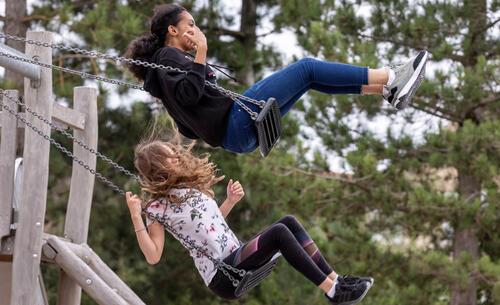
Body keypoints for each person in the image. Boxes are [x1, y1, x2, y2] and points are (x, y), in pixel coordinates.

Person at [124, 3, 428, 154]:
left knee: (308, 80)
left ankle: (384, 88)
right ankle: (390, 76)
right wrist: (201, 53)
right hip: (236, 122)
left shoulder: (163, 72)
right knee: (307, 68)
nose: (195, 30)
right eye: (189, 25)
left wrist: (184, 144)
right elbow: (190, 95)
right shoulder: (168, 57)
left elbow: (186, 126)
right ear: (172, 31)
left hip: (237, 138)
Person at [124, 135, 374, 304]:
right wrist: (136, 215)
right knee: (278, 233)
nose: (177, 157)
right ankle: (331, 292)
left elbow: (209, 227)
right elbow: (153, 256)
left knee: (288, 222)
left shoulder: (190, 187)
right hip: (222, 275)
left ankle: (337, 281)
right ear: (159, 166)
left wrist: (229, 202)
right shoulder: (156, 208)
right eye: (170, 156)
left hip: (236, 256)